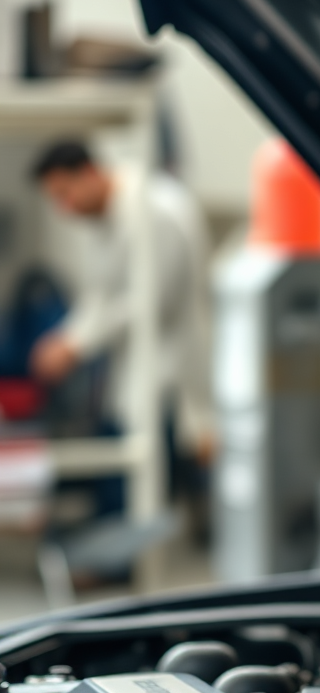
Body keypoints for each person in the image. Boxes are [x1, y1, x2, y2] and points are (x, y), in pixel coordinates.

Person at [30, 141, 213, 485]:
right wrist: (65, 338)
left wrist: (76, 345)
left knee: (161, 485)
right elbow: (99, 295)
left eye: (65, 194)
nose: (63, 209)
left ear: (90, 174)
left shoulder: (156, 209)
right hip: (134, 381)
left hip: (172, 376)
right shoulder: (102, 220)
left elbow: (154, 300)